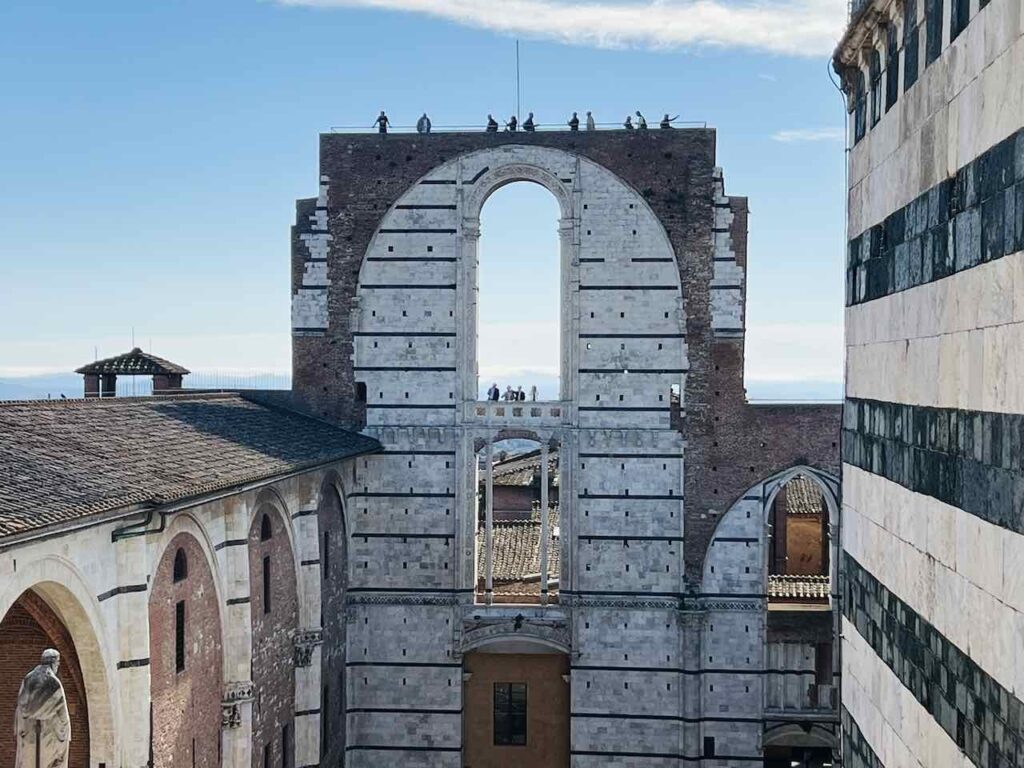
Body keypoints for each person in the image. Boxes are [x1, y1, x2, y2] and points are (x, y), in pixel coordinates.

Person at [15, 649, 70, 768]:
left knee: (29, 762)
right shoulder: (54, 683)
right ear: (54, 662)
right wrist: (64, 735)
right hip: (48, 734)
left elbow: (20, 706)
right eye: (58, 663)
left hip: (29, 733)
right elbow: (63, 715)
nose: (58, 666)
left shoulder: (28, 678)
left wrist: (21, 729)